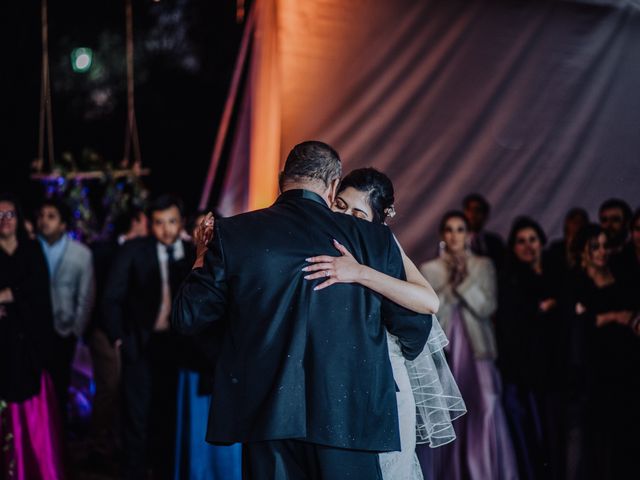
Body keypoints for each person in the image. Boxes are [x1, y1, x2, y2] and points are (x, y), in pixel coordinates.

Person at [172, 141, 432, 479]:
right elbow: (414, 330)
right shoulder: (372, 239)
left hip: (267, 420)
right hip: (349, 418)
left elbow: (187, 318)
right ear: (333, 184)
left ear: (282, 179)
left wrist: (201, 257)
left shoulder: (232, 234)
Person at [303, 168, 465, 479]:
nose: (346, 216)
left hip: (387, 380)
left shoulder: (383, 242)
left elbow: (429, 301)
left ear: (379, 221)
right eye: (340, 205)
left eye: (358, 213)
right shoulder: (318, 232)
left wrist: (359, 272)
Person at [418, 211, 517, 480]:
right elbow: (432, 314)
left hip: (478, 351)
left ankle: (484, 472)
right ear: (442, 235)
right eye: (449, 229)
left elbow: (488, 307)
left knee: (485, 407)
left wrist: (465, 281)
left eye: (460, 229)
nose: (454, 235)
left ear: (468, 234)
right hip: (450, 351)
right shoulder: (430, 269)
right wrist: (451, 285)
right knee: (451, 414)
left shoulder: (484, 265)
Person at [103, 195, 195, 480]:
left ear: (181, 222)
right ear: (149, 223)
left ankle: (168, 471)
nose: (166, 229)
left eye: (171, 221)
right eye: (158, 222)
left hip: (180, 348)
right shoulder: (134, 250)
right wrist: (119, 337)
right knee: (136, 418)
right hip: (141, 345)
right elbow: (111, 297)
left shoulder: (194, 252)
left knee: (170, 417)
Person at [0, 193, 65, 479]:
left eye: (9, 214)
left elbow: (39, 297)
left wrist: (9, 295)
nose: (4, 221)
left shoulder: (32, 251)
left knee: (33, 417)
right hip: (2, 351)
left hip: (29, 352)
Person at [173, 210, 242, 480]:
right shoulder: (185, 266)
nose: (206, 231)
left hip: (226, 366)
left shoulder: (236, 264)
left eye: (212, 226)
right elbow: (183, 318)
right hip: (194, 364)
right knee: (196, 434)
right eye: (201, 226)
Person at [568, 224, 640, 479]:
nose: (602, 252)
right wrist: (614, 317)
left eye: (604, 245)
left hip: (626, 362)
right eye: (595, 246)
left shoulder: (619, 274)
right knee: (599, 436)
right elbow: (579, 325)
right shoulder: (578, 281)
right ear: (584, 251)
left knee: (626, 432)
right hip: (595, 368)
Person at [496, 217, 564, 480]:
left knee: (555, 440)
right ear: (513, 246)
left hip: (555, 372)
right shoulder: (509, 279)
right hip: (524, 377)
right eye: (521, 241)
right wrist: (541, 309)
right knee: (532, 441)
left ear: (542, 242)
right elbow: (512, 327)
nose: (528, 246)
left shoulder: (556, 274)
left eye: (532, 240)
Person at [86, 206, 148, 469]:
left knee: (129, 391)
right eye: (147, 220)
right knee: (109, 388)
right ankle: (99, 448)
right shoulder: (104, 252)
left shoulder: (147, 251)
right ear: (135, 221)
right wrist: (114, 333)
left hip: (134, 334)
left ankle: (124, 447)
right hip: (105, 332)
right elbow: (99, 297)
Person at [37, 198, 95, 424]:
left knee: (60, 384)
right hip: (35, 330)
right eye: (41, 215)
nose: (44, 221)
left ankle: (59, 433)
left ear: (63, 224)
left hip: (64, 331)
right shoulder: (31, 249)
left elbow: (86, 295)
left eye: (51, 216)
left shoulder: (81, 254)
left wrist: (75, 330)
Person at [462, 193, 505, 271]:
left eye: (477, 210)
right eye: (469, 209)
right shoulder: (454, 242)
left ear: (485, 216)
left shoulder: (495, 242)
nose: (473, 214)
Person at [545, 208, 589, 277]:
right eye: (574, 222)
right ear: (566, 224)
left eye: (580, 222)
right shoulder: (555, 248)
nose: (577, 226)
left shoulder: (590, 249)